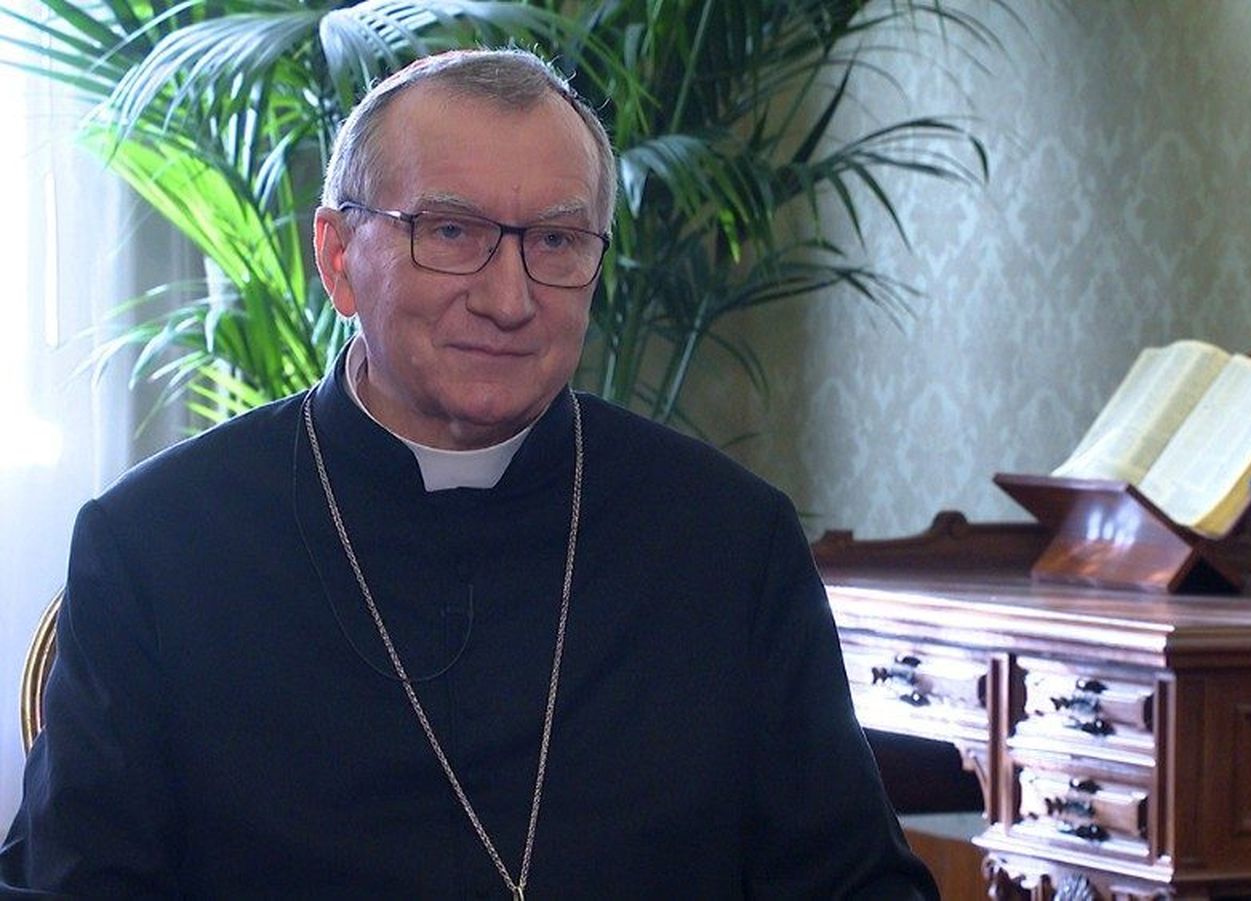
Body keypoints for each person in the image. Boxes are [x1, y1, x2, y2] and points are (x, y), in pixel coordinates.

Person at [1, 49, 936, 899]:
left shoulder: (727, 540)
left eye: (558, 242)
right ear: (337, 258)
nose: (508, 298)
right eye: (450, 232)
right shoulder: (158, 544)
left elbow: (851, 882)